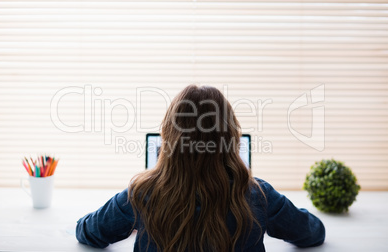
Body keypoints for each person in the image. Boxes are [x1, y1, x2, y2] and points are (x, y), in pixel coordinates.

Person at [76, 85, 325, 252]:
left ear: (169, 136)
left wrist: (136, 220)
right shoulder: (257, 195)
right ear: (230, 138)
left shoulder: (141, 195)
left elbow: (87, 231)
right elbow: (313, 232)